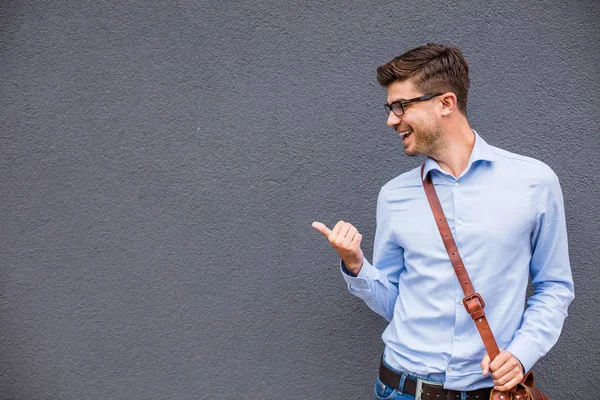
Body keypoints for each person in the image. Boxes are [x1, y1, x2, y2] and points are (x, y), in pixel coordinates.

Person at [312, 43, 574, 400]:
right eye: (390, 109)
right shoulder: (394, 196)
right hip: (400, 390)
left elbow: (555, 288)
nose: (391, 120)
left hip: (488, 392)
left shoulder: (534, 183)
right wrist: (356, 265)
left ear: (446, 103)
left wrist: (522, 353)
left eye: (401, 106)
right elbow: (395, 303)